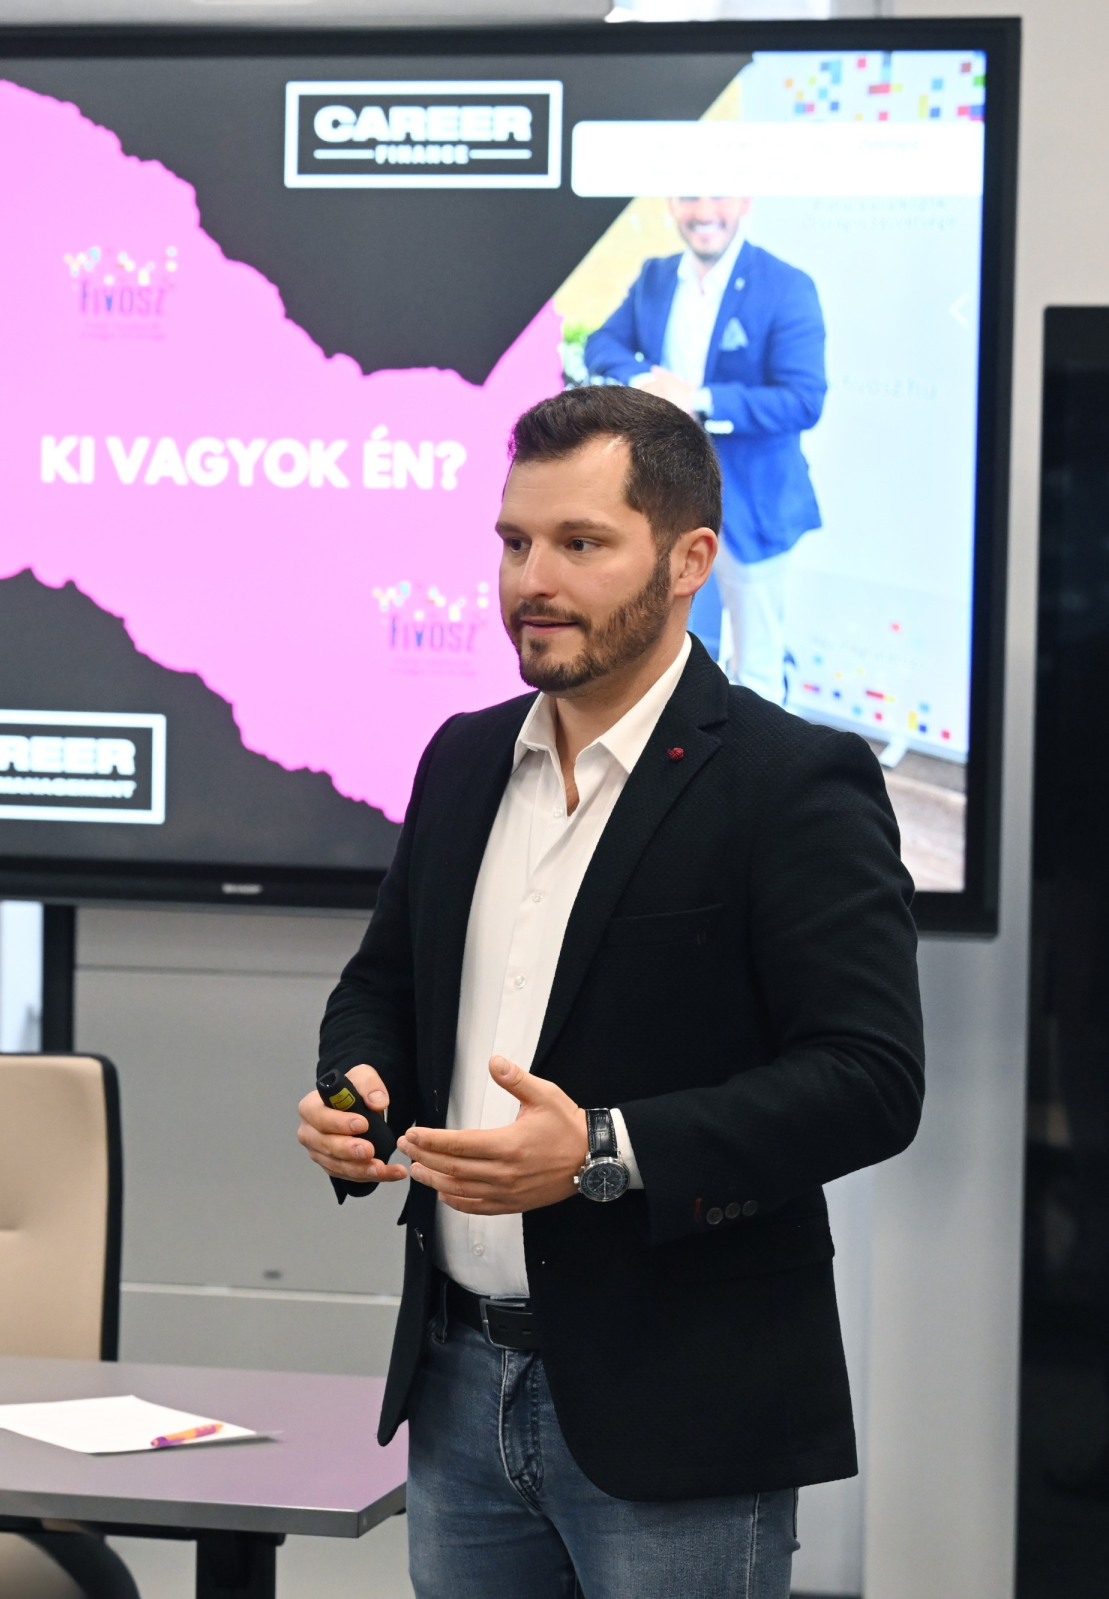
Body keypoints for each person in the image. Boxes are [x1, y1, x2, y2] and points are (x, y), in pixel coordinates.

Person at [295, 386, 922, 1598]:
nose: (532, 580)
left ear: (690, 561)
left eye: (581, 544)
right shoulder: (464, 756)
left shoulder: (792, 783)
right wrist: (356, 1090)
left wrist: (601, 1151)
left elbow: (870, 1082)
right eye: (515, 541)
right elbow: (384, 988)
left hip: (682, 1401)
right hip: (457, 1381)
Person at [584, 197, 826, 706]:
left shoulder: (785, 285)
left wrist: (700, 399)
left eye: (718, 194)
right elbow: (602, 344)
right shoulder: (655, 276)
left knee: (757, 667)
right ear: (672, 205)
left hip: (752, 505)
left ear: (743, 202)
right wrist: (646, 380)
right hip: (666, 497)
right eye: (690, 196)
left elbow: (803, 400)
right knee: (674, 650)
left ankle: (764, 756)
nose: (703, 210)